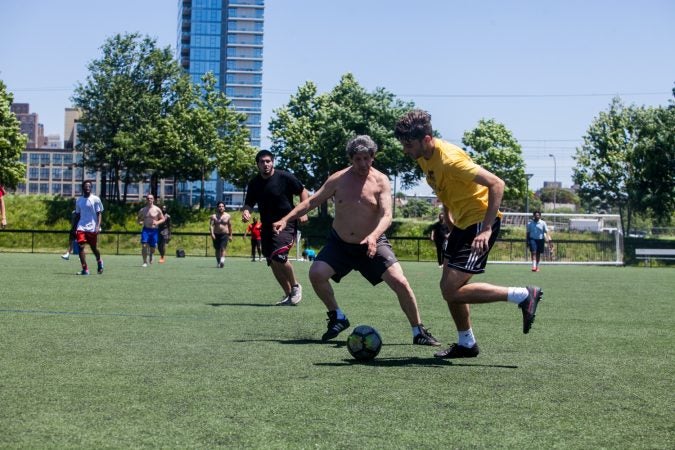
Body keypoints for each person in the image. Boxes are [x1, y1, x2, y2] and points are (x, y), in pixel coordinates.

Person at [395, 109, 543, 359]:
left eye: (409, 144)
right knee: (448, 287)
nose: (405, 150)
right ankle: (466, 343)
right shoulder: (424, 158)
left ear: (427, 139)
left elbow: (497, 184)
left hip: (479, 222)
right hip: (462, 224)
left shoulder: (451, 159)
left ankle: (524, 295)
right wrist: (448, 218)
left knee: (451, 289)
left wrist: (485, 229)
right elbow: (443, 189)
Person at [272, 135, 440, 346]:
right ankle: (337, 316)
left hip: (373, 242)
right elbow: (312, 202)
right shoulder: (338, 179)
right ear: (351, 158)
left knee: (401, 282)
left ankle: (418, 331)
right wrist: (286, 219)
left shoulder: (381, 181)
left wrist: (373, 236)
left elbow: (387, 215)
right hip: (340, 244)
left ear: (373, 157)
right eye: (357, 159)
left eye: (366, 158)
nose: (362, 164)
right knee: (316, 274)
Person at [242, 149, 309, 306]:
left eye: (268, 161)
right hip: (266, 225)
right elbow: (249, 203)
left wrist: (303, 211)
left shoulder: (285, 177)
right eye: (262, 162)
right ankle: (288, 295)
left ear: (272, 162)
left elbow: (302, 190)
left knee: (279, 255)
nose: (265, 164)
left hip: (286, 222)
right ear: (257, 164)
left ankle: (295, 286)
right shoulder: (254, 183)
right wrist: (246, 212)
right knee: (272, 260)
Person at [74, 180, 104, 275]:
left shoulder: (95, 199)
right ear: (83, 188)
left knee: (94, 248)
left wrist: (98, 226)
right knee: (81, 247)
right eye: (85, 186)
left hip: (92, 228)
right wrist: (74, 227)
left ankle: (99, 261)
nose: (87, 188)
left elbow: (99, 214)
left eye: (89, 186)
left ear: (91, 188)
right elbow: (77, 215)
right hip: (81, 227)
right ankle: (85, 269)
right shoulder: (79, 200)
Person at [137, 193, 166, 267]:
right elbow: (138, 218)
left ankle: (151, 253)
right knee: (144, 245)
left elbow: (163, 219)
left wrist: (157, 222)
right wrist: (140, 222)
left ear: (153, 199)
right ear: (146, 200)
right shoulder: (143, 210)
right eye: (148, 198)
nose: (149, 199)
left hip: (154, 230)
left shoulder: (157, 209)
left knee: (153, 247)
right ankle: (144, 262)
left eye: (151, 198)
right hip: (146, 230)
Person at [210, 201, 232, 268]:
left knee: (223, 248)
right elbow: (211, 226)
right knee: (217, 249)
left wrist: (230, 235)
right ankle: (218, 262)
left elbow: (230, 226)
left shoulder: (228, 216)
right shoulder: (213, 216)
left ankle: (222, 261)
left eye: (222, 206)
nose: (221, 208)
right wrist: (212, 234)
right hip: (216, 234)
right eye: (219, 206)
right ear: (217, 208)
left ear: (224, 208)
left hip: (224, 234)